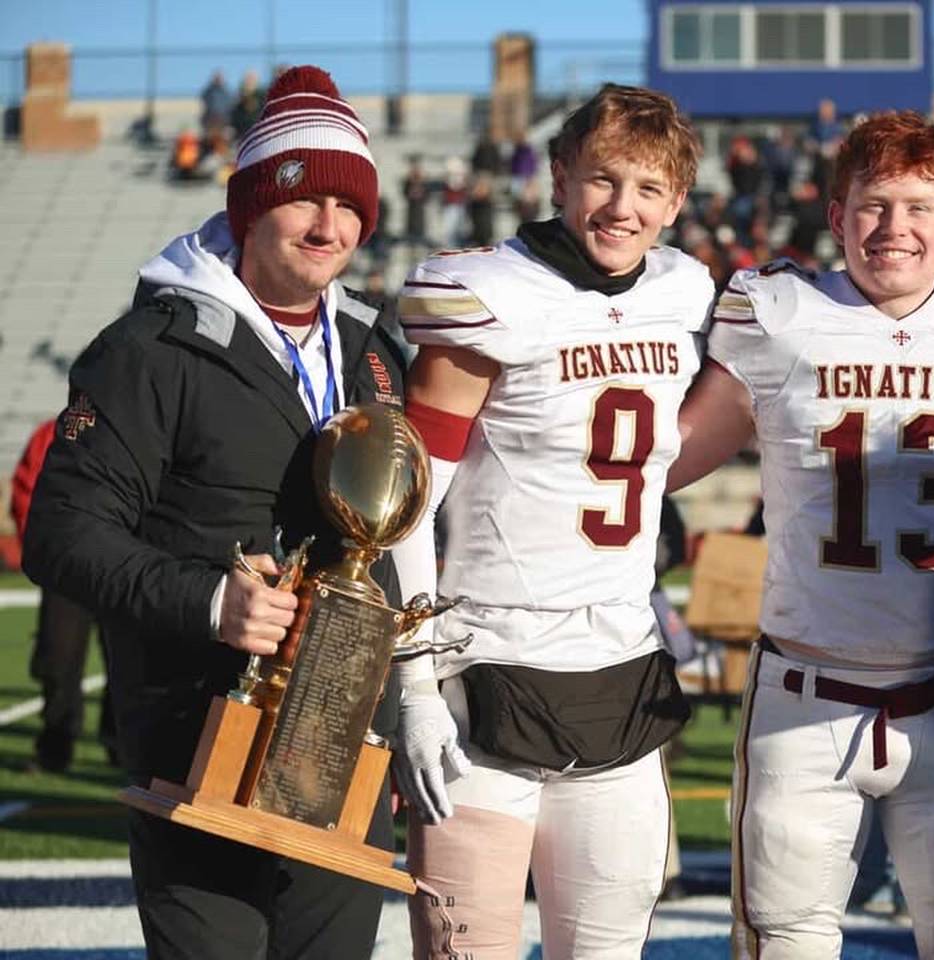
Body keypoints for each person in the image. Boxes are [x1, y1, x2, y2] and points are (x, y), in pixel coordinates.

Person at [21, 65, 406, 960]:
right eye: (304, 200)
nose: (330, 227)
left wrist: (406, 706)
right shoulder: (149, 349)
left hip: (338, 746)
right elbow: (61, 535)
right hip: (196, 739)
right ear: (247, 209)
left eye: (350, 208)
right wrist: (210, 602)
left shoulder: (372, 347)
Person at [667, 111, 934, 959]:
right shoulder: (779, 314)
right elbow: (672, 458)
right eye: (874, 205)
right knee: (785, 942)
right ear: (836, 215)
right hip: (806, 687)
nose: (894, 229)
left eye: (920, 207)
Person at [389, 83, 712, 958]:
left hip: (620, 666)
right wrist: (414, 685)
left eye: (649, 190)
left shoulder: (684, 290)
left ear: (676, 202)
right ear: (561, 176)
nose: (623, 208)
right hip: (487, 671)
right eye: (604, 180)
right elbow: (403, 502)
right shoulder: (488, 295)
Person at [11, 419, 110, 773]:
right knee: (57, 658)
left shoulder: (142, 426)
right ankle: (55, 745)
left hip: (124, 563)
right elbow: (26, 488)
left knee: (128, 657)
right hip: (66, 567)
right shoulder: (57, 429)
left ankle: (122, 749)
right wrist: (44, 549)